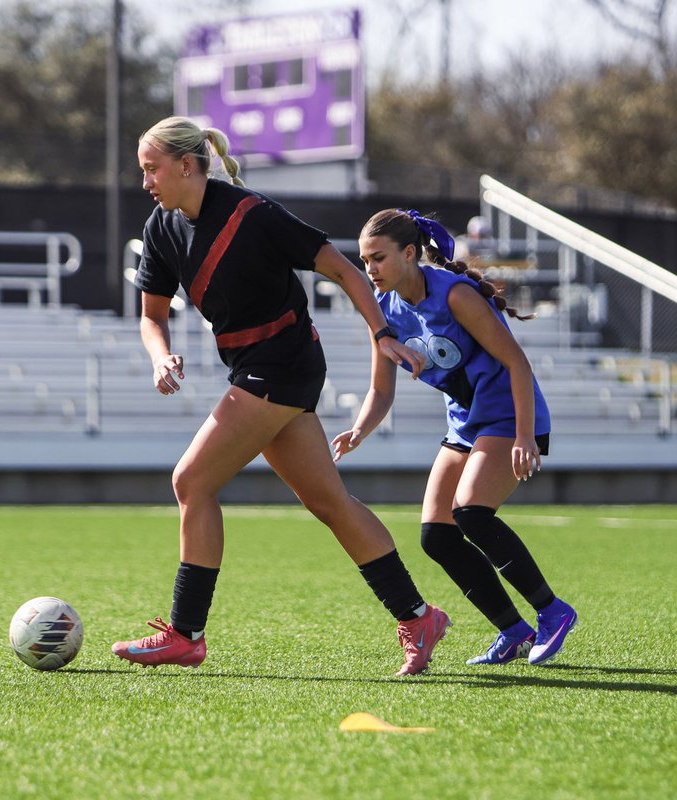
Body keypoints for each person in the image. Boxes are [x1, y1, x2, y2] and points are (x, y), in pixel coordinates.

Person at [110, 117, 450, 676]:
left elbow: (343, 269)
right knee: (329, 502)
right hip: (257, 369)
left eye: (152, 169)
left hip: (283, 364)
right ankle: (419, 617)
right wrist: (159, 356)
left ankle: (186, 634)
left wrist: (383, 334)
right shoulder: (161, 226)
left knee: (191, 481)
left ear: (187, 166)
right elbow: (151, 316)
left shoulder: (252, 214)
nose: (145, 181)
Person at [332, 208, 577, 666]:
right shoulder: (382, 310)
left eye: (379, 258)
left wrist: (525, 435)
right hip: (464, 423)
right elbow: (380, 390)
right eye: (364, 261)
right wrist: (360, 429)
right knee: (436, 537)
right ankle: (514, 631)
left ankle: (552, 610)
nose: (370, 269)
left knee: (471, 513)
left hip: (508, 415)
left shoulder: (456, 295)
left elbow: (517, 363)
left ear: (409, 253)